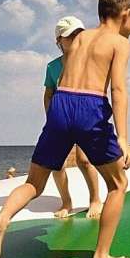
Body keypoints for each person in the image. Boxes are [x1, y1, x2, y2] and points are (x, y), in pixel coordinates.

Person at [0, 0, 130, 258]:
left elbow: (65, 79)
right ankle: (101, 257)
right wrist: (124, 137)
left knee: (34, 183)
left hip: (60, 104)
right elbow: (118, 90)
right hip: (89, 107)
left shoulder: (79, 39)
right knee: (118, 184)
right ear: (126, 12)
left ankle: (3, 217)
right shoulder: (120, 43)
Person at [44, 16, 105, 219]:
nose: (76, 39)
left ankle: (95, 199)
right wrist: (51, 120)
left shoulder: (91, 61)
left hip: (85, 117)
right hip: (61, 119)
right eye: (70, 36)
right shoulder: (53, 67)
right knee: (57, 163)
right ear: (59, 41)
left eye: (80, 34)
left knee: (84, 160)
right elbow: (48, 94)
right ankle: (66, 201)